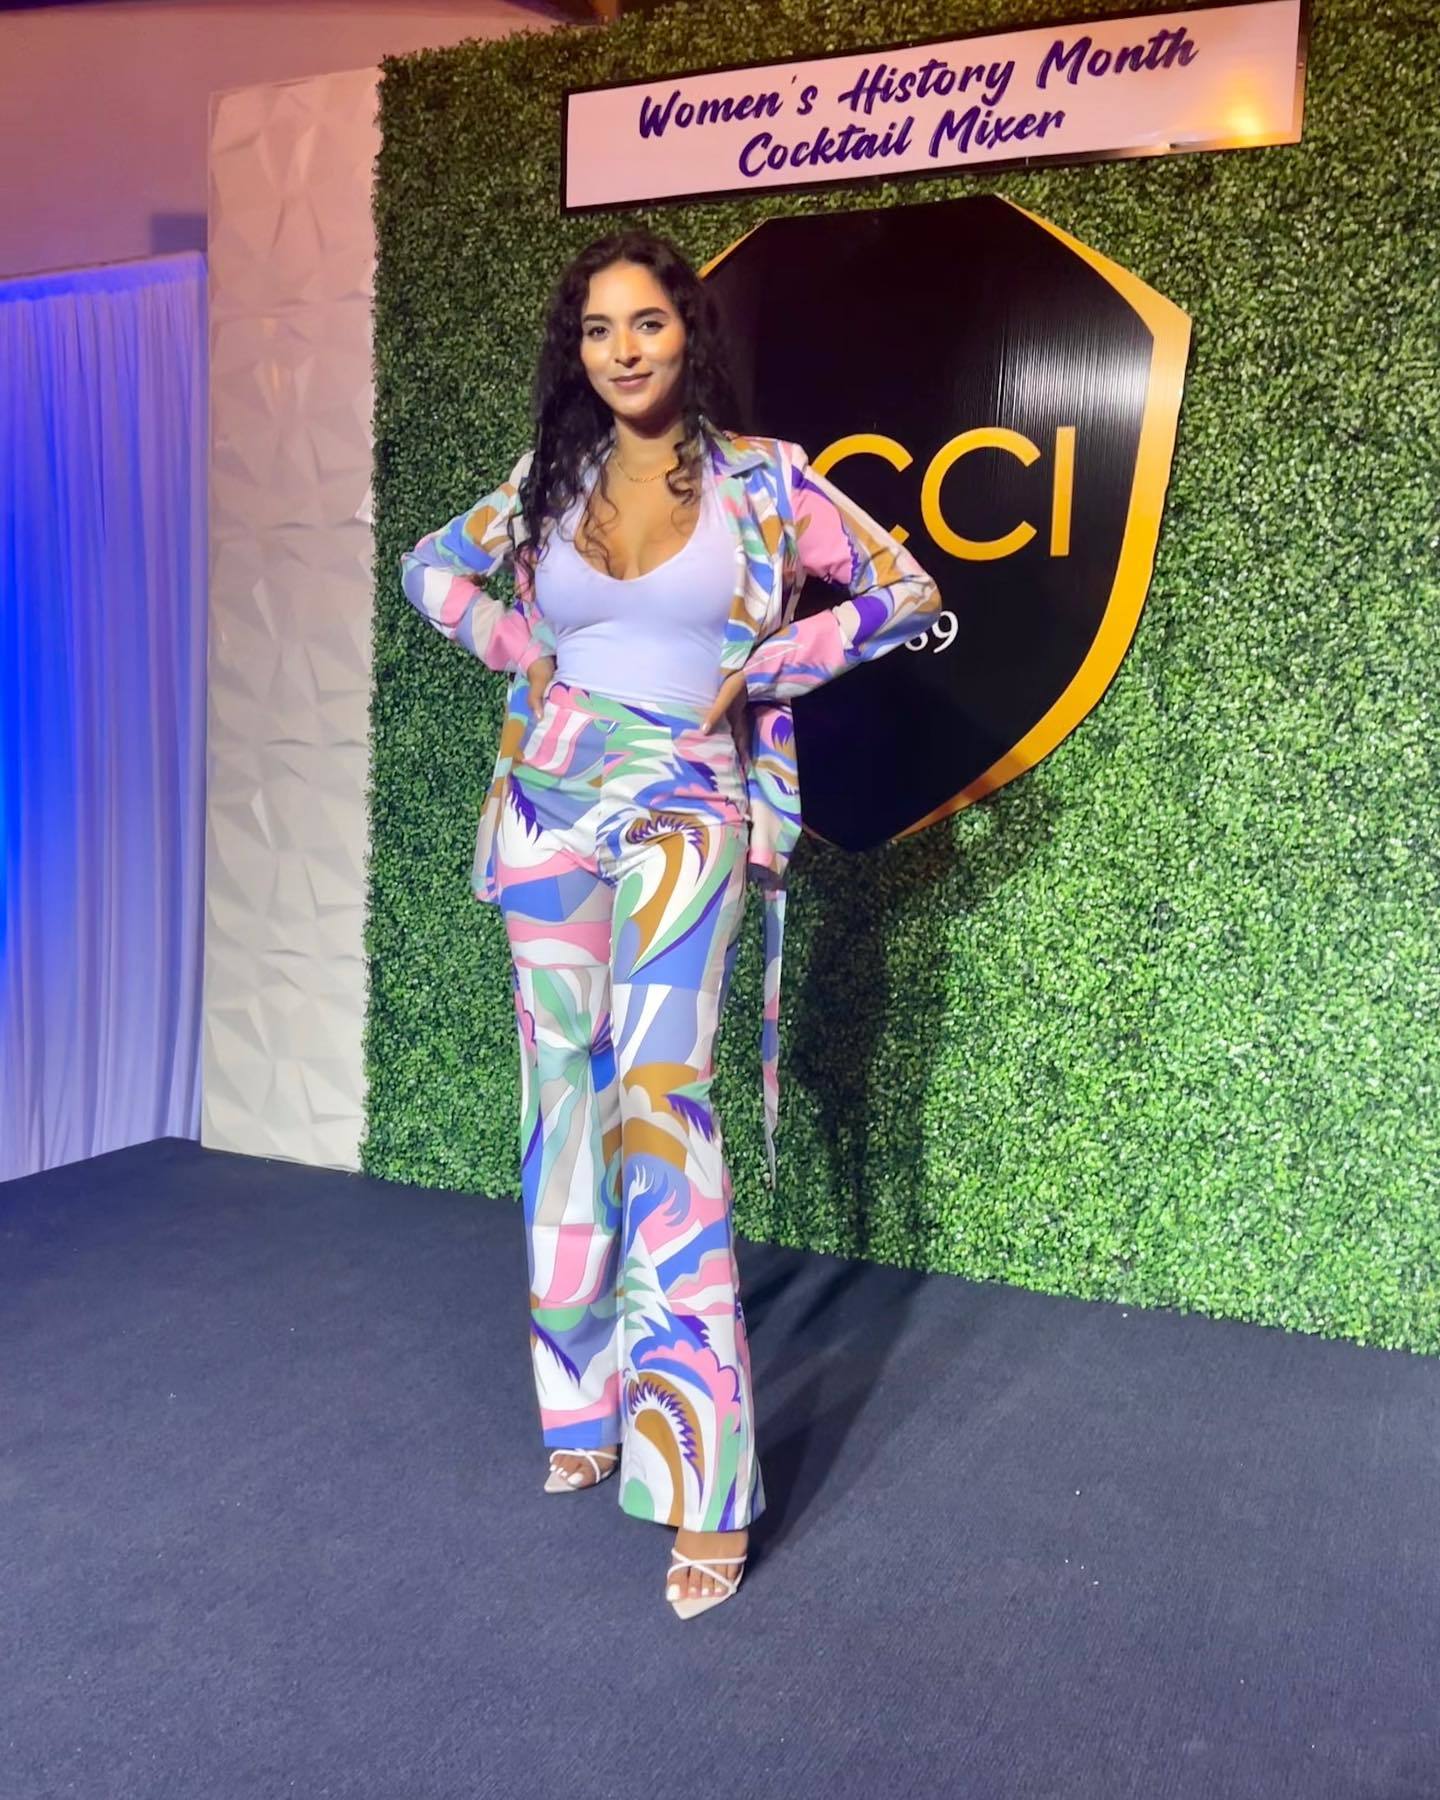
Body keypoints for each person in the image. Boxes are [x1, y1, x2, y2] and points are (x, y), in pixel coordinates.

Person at [400, 227, 941, 1619]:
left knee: (660, 1104)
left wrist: (771, 662)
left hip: (685, 799)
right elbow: (428, 570)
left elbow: (907, 593)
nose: (622, 349)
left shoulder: (768, 479)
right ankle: (581, 1405)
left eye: (645, 322)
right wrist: (522, 649)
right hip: (547, 798)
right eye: (597, 329)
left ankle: (702, 1484)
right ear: (575, 349)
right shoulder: (551, 476)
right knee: (561, 1098)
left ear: (688, 332)